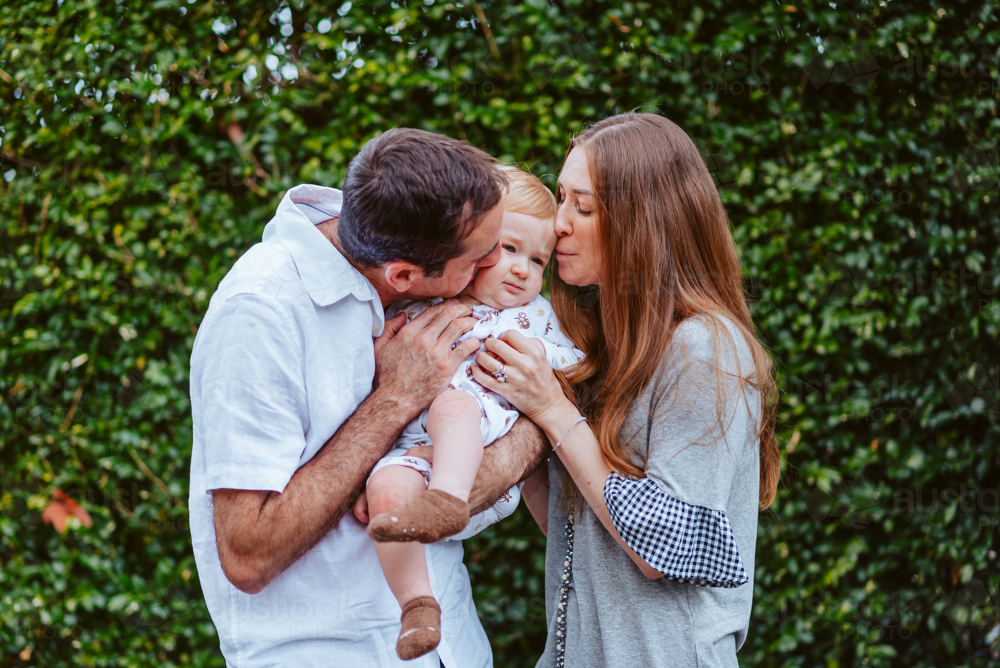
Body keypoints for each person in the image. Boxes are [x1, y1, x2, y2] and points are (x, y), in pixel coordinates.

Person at [188, 129, 548, 668]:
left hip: (456, 644)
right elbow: (247, 552)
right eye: (481, 257)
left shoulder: (415, 244)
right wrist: (396, 398)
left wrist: (536, 422)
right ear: (403, 275)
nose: (500, 264)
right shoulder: (260, 312)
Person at [469, 113, 780, 668]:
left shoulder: (704, 349)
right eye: (561, 198)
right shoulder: (607, 346)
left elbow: (665, 550)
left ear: (644, 220)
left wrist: (551, 408)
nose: (558, 223)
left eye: (582, 207)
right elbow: (578, 533)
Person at [360, 166, 585, 660]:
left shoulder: (534, 317)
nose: (523, 270)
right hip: (421, 453)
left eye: (537, 259)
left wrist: (532, 359)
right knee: (384, 490)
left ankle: (447, 498)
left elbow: (575, 368)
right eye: (507, 249)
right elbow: (382, 357)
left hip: (481, 450)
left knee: (455, 406)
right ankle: (417, 606)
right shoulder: (430, 303)